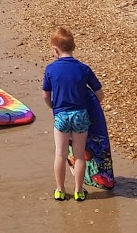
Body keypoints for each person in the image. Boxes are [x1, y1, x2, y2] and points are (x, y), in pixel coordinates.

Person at [43, 27, 102, 201]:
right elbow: (100, 94)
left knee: (60, 153)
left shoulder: (51, 69)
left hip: (61, 114)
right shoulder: (83, 69)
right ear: (73, 47)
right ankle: (78, 190)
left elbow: (46, 95)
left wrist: (53, 107)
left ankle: (60, 190)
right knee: (79, 155)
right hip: (80, 115)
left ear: (55, 49)